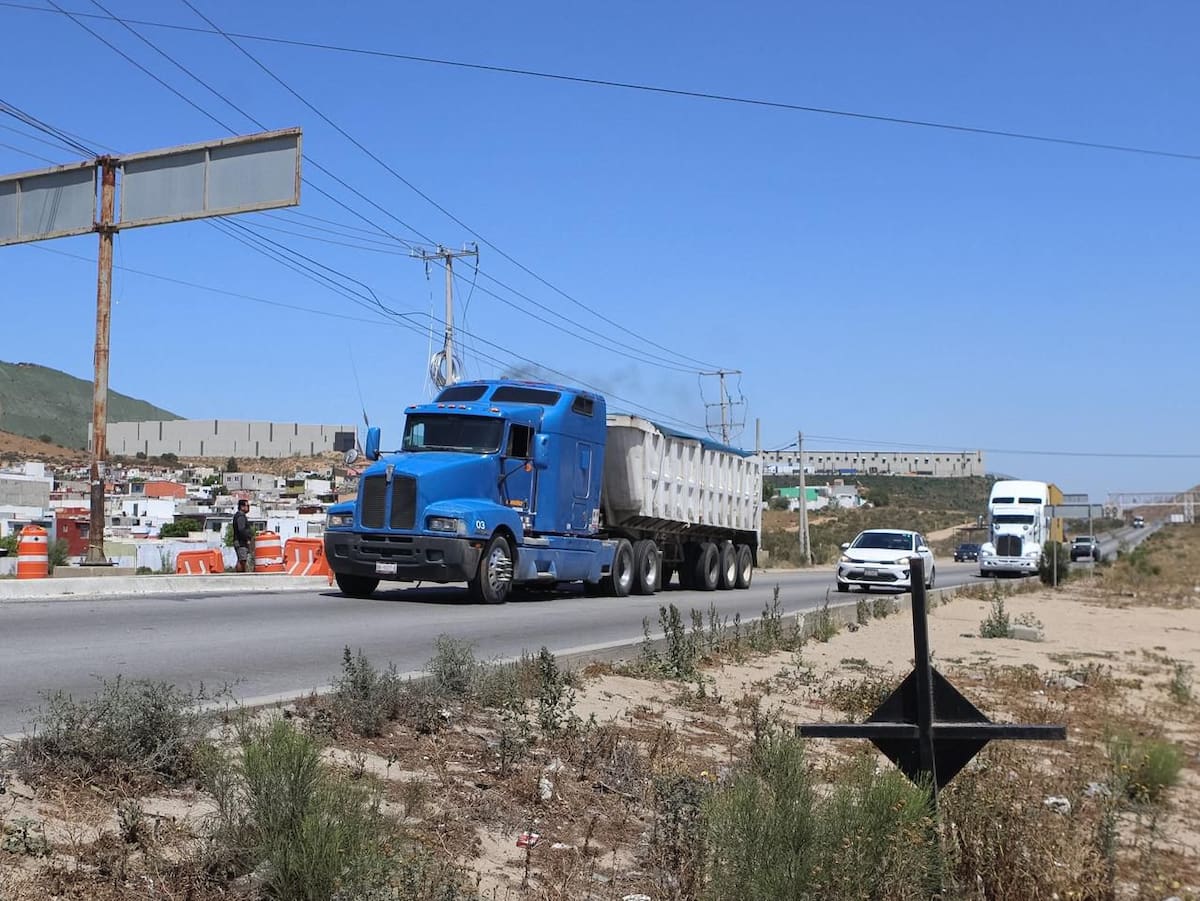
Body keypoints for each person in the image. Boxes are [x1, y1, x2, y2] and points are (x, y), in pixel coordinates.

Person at [233, 499, 254, 573]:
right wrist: (247, 539)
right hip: (241, 542)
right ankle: (240, 574)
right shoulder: (240, 516)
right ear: (242, 506)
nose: (248, 508)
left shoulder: (240, 516)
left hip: (240, 541)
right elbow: (241, 529)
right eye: (247, 506)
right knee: (242, 560)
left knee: (242, 559)